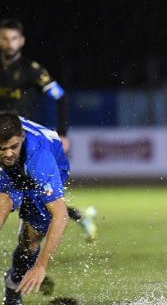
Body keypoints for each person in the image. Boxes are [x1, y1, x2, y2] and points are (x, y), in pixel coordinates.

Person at [0, 19, 96, 241]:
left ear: (22, 41)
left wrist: (62, 132)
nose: (9, 43)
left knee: (36, 195)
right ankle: (79, 216)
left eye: (14, 38)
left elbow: (60, 97)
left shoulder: (33, 71)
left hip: (23, 143)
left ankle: (75, 217)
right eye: (5, 38)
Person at [1, 112, 70, 305]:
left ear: (22, 137)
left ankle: (14, 284)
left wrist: (41, 266)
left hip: (45, 173)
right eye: (2, 148)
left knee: (29, 242)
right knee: (2, 204)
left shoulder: (40, 159)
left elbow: (61, 215)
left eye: (13, 147)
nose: (8, 154)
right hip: (8, 173)